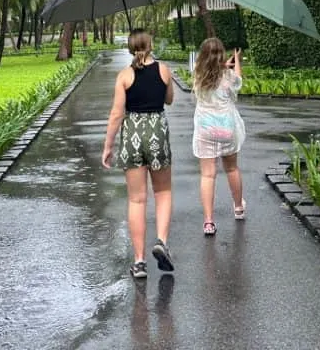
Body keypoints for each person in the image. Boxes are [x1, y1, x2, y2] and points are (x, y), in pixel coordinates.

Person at [102, 28, 175, 279]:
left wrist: (108, 146)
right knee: (163, 191)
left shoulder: (124, 76)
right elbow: (169, 100)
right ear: (150, 44)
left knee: (137, 200)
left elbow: (116, 115)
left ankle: (140, 261)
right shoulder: (164, 70)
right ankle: (162, 242)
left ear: (130, 47)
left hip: (132, 134)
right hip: (157, 131)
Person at [192, 38, 246, 236]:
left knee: (207, 174)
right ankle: (238, 207)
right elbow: (238, 81)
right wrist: (236, 61)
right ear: (223, 55)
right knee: (231, 168)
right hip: (226, 130)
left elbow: (210, 68)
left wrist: (221, 64)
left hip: (206, 131)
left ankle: (208, 221)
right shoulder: (229, 76)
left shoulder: (198, 76)